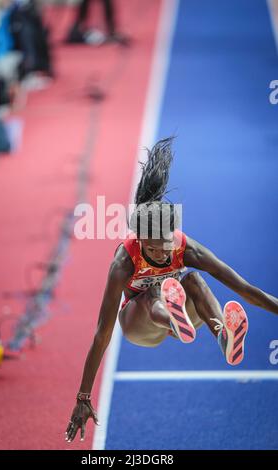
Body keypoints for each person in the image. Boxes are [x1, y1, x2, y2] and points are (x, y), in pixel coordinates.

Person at [65, 137, 278, 443]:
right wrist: (83, 395)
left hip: (184, 314)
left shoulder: (184, 247)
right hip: (140, 324)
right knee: (154, 291)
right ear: (140, 241)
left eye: (168, 245)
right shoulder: (124, 262)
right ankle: (174, 321)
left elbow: (245, 288)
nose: (165, 253)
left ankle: (222, 336)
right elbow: (103, 332)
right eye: (156, 248)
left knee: (194, 281)